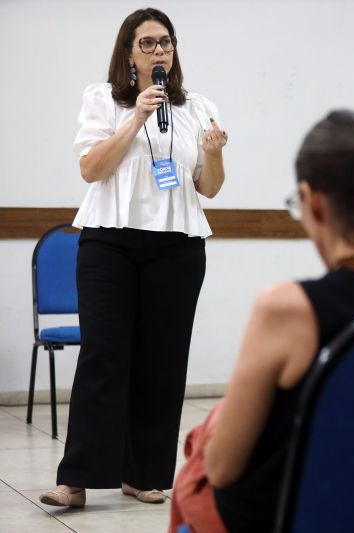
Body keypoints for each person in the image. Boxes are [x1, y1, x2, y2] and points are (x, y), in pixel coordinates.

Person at [167, 109, 354, 532]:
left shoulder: (287, 309)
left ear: (313, 202)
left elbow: (222, 470)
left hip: (300, 519)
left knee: (202, 454)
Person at [39, 8, 227, 507]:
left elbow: (208, 187)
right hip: (109, 243)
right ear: (128, 52)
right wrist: (137, 117)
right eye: (147, 43)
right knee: (104, 356)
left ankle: (142, 474)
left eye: (166, 42)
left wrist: (215, 153)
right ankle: (75, 478)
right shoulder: (103, 99)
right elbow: (91, 168)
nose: (159, 50)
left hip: (177, 245)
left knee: (162, 362)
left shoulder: (197, 105)